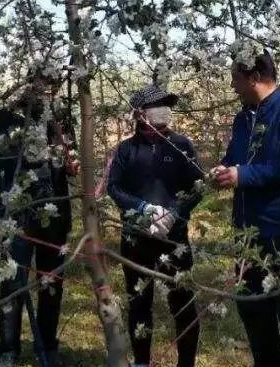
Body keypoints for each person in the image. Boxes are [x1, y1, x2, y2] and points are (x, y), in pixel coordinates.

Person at [210, 48, 280, 367]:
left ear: (255, 78)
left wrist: (243, 175)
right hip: (247, 233)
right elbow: (235, 156)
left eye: (235, 78)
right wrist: (224, 169)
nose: (232, 86)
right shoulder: (243, 118)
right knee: (254, 312)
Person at [107, 84, 204, 367]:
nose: (160, 126)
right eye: (154, 116)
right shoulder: (126, 150)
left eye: (165, 114)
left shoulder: (181, 145)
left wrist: (174, 213)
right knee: (139, 303)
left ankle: (186, 362)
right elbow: (114, 187)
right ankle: (141, 362)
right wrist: (142, 209)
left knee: (183, 302)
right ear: (139, 117)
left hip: (174, 239)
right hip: (136, 240)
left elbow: (198, 187)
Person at [0, 80, 79, 367]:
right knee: (12, 280)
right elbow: (2, 159)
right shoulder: (6, 117)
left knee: (51, 280)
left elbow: (70, 156)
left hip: (54, 212)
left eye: (52, 86)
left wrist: (70, 162)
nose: (46, 91)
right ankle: (8, 349)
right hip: (19, 212)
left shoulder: (61, 117)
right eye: (41, 85)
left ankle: (47, 346)